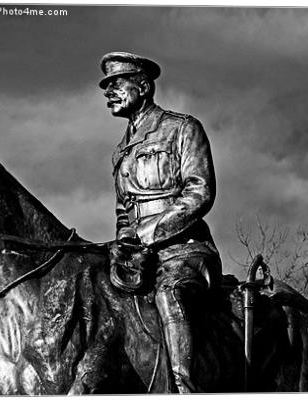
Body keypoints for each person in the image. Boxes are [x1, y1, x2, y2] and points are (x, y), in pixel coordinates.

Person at [99, 51, 222, 393]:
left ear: (143, 85)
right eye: (106, 86)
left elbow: (199, 192)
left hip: (185, 252)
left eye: (117, 83)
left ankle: (183, 386)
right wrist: (125, 239)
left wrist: (148, 233)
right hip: (140, 257)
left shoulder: (182, 128)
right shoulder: (120, 151)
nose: (109, 92)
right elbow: (124, 210)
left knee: (169, 293)